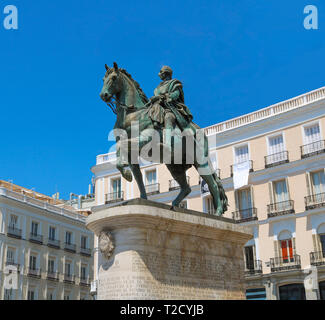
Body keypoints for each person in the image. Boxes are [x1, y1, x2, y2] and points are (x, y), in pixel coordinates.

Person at [148, 66, 193, 152]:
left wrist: (163, 97)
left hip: (171, 108)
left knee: (168, 117)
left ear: (166, 73)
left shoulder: (175, 83)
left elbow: (175, 95)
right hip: (158, 108)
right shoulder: (157, 88)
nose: (159, 74)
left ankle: (168, 145)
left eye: (161, 72)